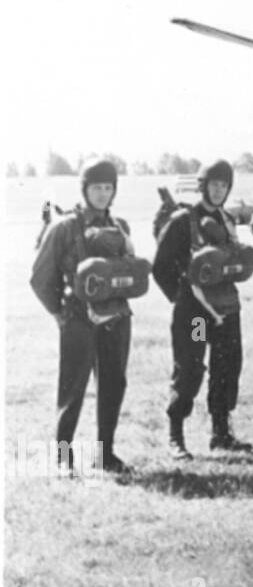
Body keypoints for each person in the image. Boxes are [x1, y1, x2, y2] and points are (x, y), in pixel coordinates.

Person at [31, 157, 146, 475]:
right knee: (72, 388)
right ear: (85, 189)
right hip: (78, 318)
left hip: (117, 318)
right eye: (96, 187)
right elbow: (40, 278)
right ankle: (61, 457)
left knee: (113, 384)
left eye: (108, 187)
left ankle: (105, 454)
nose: (102, 194)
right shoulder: (64, 227)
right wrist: (58, 313)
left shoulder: (121, 227)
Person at [153, 158, 253, 458]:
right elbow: (160, 268)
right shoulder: (183, 220)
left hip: (226, 310)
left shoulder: (228, 220)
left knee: (227, 367)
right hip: (195, 316)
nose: (219, 190)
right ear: (203, 186)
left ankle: (221, 432)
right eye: (214, 184)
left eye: (224, 185)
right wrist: (182, 299)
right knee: (191, 367)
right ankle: (176, 436)